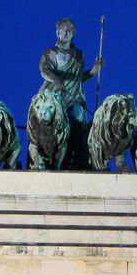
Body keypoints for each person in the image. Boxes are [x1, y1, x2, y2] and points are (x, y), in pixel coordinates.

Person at [38, 18, 103, 167]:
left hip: (74, 98)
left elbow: (78, 79)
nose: (66, 33)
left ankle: (76, 154)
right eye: (63, 30)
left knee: (78, 118)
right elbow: (44, 69)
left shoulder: (78, 55)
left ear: (73, 34)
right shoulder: (51, 52)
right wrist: (56, 80)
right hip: (55, 96)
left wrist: (94, 71)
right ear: (58, 32)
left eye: (70, 31)